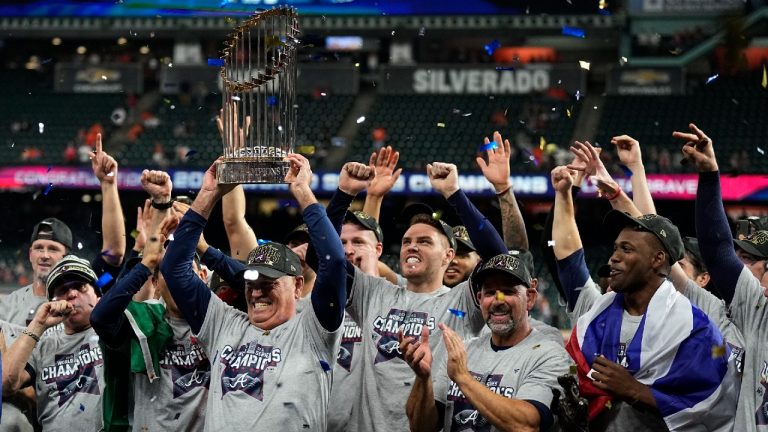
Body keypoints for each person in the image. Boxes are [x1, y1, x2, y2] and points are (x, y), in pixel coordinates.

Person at [159, 154, 348, 430]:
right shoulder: (224, 324)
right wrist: (208, 195)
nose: (257, 293)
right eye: (252, 283)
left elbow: (335, 261)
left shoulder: (315, 329)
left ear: (297, 286)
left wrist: (304, 193)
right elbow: (174, 268)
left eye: (268, 283)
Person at [321, 160, 508, 431]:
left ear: (448, 255)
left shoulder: (460, 301)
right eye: (407, 241)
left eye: (424, 242)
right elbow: (325, 258)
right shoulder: (372, 292)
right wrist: (344, 194)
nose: (411, 247)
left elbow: (498, 258)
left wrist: (454, 194)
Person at [550, 162, 738, 431]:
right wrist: (564, 194)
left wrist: (635, 390)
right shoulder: (595, 316)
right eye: (615, 248)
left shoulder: (694, 328)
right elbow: (568, 258)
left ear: (657, 259)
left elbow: (714, 406)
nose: (613, 258)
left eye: (626, 249)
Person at [90, 169, 211, 431]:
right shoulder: (143, 323)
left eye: (185, 270)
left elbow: (235, 227)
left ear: (203, 275)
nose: (178, 279)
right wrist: (146, 264)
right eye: (169, 271)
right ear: (155, 283)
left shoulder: (223, 320)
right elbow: (100, 317)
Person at [402, 252, 571, 431]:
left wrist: (463, 378)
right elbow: (421, 427)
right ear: (479, 299)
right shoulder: (463, 351)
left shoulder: (552, 356)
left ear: (529, 298)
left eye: (508, 291)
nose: (498, 301)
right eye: (490, 292)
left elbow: (527, 425)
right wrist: (423, 379)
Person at [678, 122, 768, 431]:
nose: (742, 266)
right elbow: (717, 252)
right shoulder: (758, 309)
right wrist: (709, 174)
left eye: (751, 259)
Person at [0, 133, 125, 328]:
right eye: (39, 248)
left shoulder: (85, 293)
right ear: (30, 254)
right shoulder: (7, 306)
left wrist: (108, 185)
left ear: (67, 256)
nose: (44, 255)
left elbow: (114, 252)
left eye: (53, 248)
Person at [2, 255, 105, 430]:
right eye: (63, 290)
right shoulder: (42, 341)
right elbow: (5, 384)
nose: (72, 294)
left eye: (80, 287)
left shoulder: (114, 331)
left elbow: (114, 256)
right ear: (52, 302)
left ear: (97, 295)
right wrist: (38, 324)